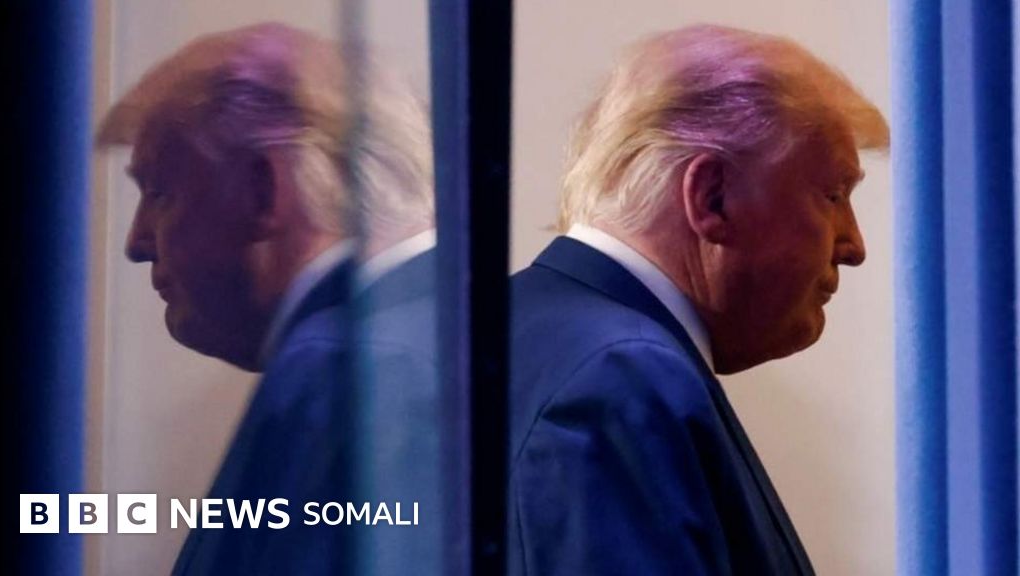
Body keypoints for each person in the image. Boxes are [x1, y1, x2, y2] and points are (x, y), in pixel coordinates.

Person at [507, 24, 889, 575]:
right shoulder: (621, 380)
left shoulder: (508, 334)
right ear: (712, 198)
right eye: (832, 196)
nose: (854, 247)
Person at [97, 22, 440, 575]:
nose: (136, 243)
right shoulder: (466, 335)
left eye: (159, 192)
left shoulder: (346, 369)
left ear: (262, 190)